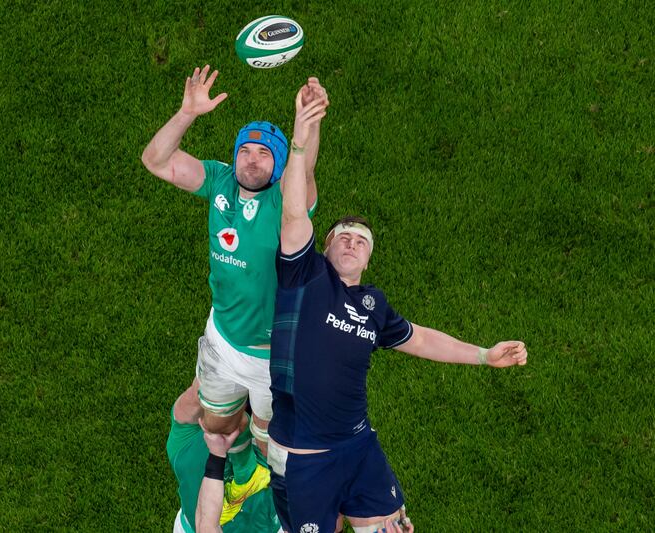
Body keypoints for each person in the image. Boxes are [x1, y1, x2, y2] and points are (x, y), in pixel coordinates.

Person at [266, 90, 529, 533]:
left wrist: (485, 354)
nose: (351, 242)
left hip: (359, 449)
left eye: (361, 241)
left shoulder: (374, 306)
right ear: (324, 247)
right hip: (306, 459)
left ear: (368, 260)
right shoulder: (304, 275)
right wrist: (299, 140)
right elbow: (294, 212)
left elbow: (419, 338)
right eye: (343, 237)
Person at [142, 65, 328, 510]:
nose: (251, 159)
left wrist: (307, 123)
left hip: (274, 357)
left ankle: (282, 498)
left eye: (264, 153)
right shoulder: (219, 180)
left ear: (280, 166)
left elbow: (306, 168)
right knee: (217, 425)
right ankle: (243, 476)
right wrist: (187, 113)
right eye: (245, 150)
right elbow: (156, 161)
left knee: (270, 438)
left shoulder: (287, 201)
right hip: (223, 342)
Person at [168, 380, 283, 533]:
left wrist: (217, 455)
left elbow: (206, 526)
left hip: (196, 519)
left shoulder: (186, 448)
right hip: (267, 514)